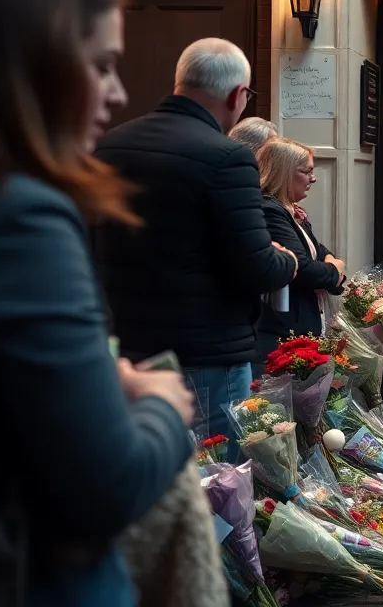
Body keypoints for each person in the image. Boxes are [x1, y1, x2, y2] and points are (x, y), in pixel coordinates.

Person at [0, 0, 195, 604]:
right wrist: (161, 405)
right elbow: (106, 488)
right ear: (32, 71)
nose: (119, 93)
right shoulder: (18, 218)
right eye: (100, 66)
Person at [94, 38, 298, 462]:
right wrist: (288, 259)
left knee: (147, 477)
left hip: (125, 350)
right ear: (236, 95)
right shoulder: (227, 158)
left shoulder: (111, 144)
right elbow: (256, 265)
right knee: (218, 485)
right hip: (206, 353)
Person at [255, 138, 346, 366]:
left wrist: (330, 264)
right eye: (306, 172)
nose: (313, 179)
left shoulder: (288, 209)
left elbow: (319, 250)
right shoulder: (270, 210)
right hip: (283, 331)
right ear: (284, 173)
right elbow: (303, 267)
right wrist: (335, 271)